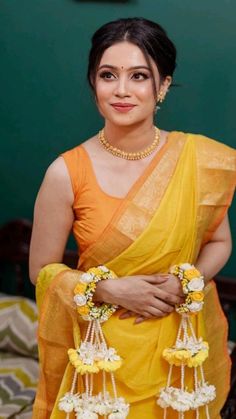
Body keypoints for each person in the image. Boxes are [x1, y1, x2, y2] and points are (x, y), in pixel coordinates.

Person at [29, 17, 236, 419]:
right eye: (108, 75)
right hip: (102, 363)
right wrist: (108, 290)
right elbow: (41, 271)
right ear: (94, 83)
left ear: (162, 87)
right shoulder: (66, 172)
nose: (122, 90)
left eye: (139, 76)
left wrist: (183, 283)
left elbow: (219, 242)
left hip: (178, 356)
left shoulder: (197, 161)